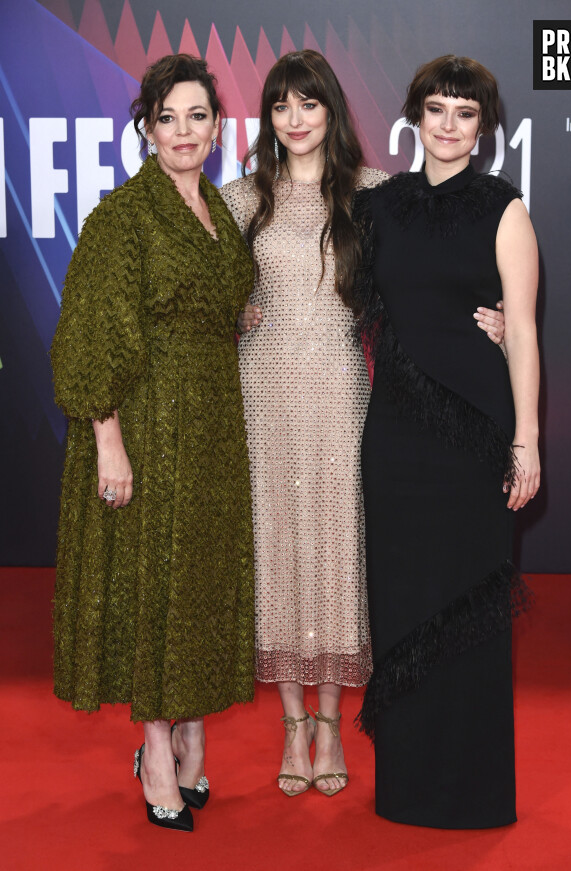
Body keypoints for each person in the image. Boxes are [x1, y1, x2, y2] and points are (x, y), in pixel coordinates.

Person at [221, 49, 506, 798]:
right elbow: (203, 289)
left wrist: (502, 313)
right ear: (268, 118)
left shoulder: (375, 195)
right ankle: (291, 727)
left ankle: (330, 722)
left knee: (341, 551)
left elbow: (442, 259)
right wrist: (231, 313)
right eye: (281, 105)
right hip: (265, 396)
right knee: (279, 549)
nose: (295, 119)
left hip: (348, 394)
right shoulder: (240, 198)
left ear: (332, 112)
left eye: (308, 104)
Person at [51, 54, 255, 832]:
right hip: (145, 422)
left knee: (199, 576)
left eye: (197, 115)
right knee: (152, 581)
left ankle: (191, 723)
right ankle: (155, 749)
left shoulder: (217, 211)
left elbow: (219, 294)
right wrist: (108, 439)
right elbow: (91, 335)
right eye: (167, 117)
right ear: (146, 127)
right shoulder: (123, 218)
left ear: (216, 126)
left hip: (211, 427)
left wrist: (241, 314)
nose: (183, 131)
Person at [352, 55, 540, 828]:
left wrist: (527, 441)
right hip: (395, 434)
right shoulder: (380, 206)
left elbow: (523, 328)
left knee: (472, 603)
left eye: (466, 112)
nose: (451, 125)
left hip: (474, 432)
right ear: (415, 118)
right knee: (400, 602)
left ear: (484, 126)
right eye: (438, 109)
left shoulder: (504, 207)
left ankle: (473, 789)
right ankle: (407, 785)